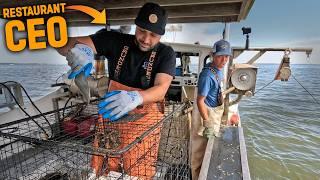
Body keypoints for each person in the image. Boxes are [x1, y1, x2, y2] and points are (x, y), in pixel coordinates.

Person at [57, 2, 176, 179]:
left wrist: (136, 97)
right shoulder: (115, 40)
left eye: (153, 35)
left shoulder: (166, 53)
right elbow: (63, 45)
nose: (146, 39)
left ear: (161, 35)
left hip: (143, 125)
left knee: (137, 170)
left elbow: (161, 89)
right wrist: (79, 50)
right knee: (105, 166)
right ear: (136, 25)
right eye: (142, 30)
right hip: (112, 117)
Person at [190, 39, 232, 180]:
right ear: (212, 55)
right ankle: (196, 176)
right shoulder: (207, 75)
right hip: (206, 115)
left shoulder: (218, 70)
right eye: (220, 56)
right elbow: (200, 100)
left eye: (227, 56)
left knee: (210, 149)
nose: (224, 60)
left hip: (215, 113)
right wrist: (207, 122)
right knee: (199, 151)